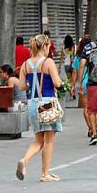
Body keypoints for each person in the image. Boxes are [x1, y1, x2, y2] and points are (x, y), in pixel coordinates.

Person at [15, 34, 64, 182]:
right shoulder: (48, 62)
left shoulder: (25, 65)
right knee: (49, 140)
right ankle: (45, 173)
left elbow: (22, 86)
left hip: (32, 104)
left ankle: (24, 160)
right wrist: (61, 84)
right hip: (47, 104)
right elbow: (57, 83)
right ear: (45, 46)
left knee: (38, 140)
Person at [71, 35, 93, 137]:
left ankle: (90, 127)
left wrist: (73, 85)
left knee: (86, 107)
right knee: (96, 107)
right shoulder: (94, 54)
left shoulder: (78, 57)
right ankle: (94, 126)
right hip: (94, 82)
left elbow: (74, 72)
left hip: (83, 83)